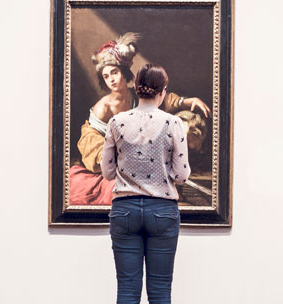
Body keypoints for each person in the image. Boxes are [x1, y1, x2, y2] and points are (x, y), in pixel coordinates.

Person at [100, 63, 190, 304]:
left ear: (137, 88)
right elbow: (181, 175)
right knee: (160, 294)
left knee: (127, 293)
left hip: (124, 210)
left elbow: (108, 172)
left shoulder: (116, 122)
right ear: (163, 92)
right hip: (162, 211)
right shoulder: (173, 123)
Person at [70, 33, 210, 205]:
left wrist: (187, 101)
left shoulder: (136, 95)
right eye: (106, 76)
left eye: (114, 72)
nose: (111, 79)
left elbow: (162, 101)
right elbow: (91, 142)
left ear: (123, 72)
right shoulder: (103, 108)